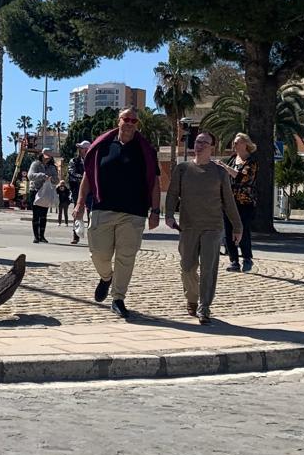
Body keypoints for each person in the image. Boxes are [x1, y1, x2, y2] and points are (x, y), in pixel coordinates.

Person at [72, 110, 161, 319]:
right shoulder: (102, 146)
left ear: (137, 124)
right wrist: (79, 203)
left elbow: (155, 182)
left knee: (126, 257)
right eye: (126, 119)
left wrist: (155, 211)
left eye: (133, 120)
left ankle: (118, 298)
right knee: (98, 253)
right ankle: (106, 277)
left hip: (134, 212)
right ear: (118, 121)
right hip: (102, 208)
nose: (129, 123)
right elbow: (87, 175)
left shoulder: (145, 150)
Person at [165, 130, 243, 324]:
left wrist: (237, 226)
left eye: (204, 143)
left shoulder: (219, 172)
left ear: (212, 148)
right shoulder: (182, 169)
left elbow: (228, 201)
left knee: (209, 268)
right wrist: (168, 215)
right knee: (187, 267)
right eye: (197, 142)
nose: (199, 145)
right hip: (188, 227)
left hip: (213, 227)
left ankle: (204, 307)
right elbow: (173, 194)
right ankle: (192, 297)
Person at [224, 132, 258, 273]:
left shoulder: (252, 162)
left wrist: (225, 168)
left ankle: (247, 258)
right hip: (229, 202)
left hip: (245, 202)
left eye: (237, 142)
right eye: (234, 142)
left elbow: (243, 178)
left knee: (243, 230)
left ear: (245, 144)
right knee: (228, 231)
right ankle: (234, 261)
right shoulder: (232, 159)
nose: (235, 145)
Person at [27, 148, 59, 242]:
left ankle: (42, 236)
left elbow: (56, 180)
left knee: (44, 215)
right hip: (36, 191)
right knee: (36, 214)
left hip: (46, 192)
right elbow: (30, 176)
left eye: (49, 157)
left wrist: (52, 179)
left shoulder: (52, 167)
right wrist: (42, 175)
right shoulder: (35, 164)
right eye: (46, 157)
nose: (47, 159)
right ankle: (36, 236)